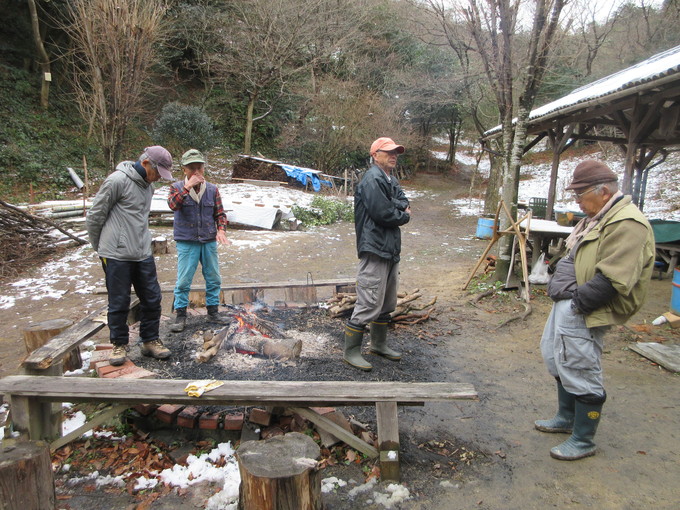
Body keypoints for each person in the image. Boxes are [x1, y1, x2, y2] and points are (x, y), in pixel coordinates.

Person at [536, 160, 654, 460]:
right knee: (555, 354)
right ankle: (566, 417)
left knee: (579, 364)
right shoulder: (599, 217)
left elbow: (614, 279)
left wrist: (575, 303)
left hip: (588, 304)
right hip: (573, 298)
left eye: (580, 193)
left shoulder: (627, 223)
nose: (576, 200)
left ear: (603, 192)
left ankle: (583, 439)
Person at [86, 146, 175, 366]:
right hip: (116, 254)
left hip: (142, 252)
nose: (158, 179)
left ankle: (150, 340)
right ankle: (119, 345)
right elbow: (95, 215)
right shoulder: (116, 181)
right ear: (145, 164)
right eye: (157, 173)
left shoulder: (148, 186)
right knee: (119, 302)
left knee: (152, 298)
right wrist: (101, 248)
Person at [343, 137, 411, 371]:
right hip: (374, 248)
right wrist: (404, 214)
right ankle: (350, 351)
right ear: (375, 155)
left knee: (386, 301)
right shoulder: (372, 179)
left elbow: (403, 200)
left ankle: (378, 345)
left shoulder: (390, 178)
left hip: (389, 248)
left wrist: (397, 205)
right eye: (388, 152)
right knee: (369, 301)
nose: (393, 155)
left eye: (396, 152)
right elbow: (384, 213)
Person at [167, 149, 229, 332]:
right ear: (184, 170)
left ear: (204, 168)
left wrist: (221, 230)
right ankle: (180, 315)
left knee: (213, 277)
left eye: (199, 168)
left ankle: (213, 312)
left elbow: (220, 214)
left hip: (208, 240)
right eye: (191, 168)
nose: (196, 172)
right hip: (187, 241)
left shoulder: (212, 189)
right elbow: (173, 205)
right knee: (184, 280)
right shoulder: (176, 188)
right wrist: (187, 188)